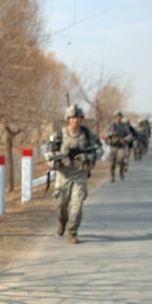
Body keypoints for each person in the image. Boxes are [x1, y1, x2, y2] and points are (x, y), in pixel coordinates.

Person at [46, 104, 101, 244]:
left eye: (77, 118)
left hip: (80, 174)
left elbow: (99, 151)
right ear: (68, 119)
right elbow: (48, 152)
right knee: (60, 204)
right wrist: (57, 160)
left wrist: (87, 157)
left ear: (81, 119)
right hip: (63, 175)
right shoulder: (59, 135)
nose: (75, 121)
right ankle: (62, 221)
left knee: (76, 206)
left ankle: (72, 232)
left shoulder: (88, 135)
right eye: (72, 118)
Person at [105, 111, 133, 181]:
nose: (118, 118)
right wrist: (111, 133)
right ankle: (112, 176)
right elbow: (106, 134)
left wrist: (125, 139)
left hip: (121, 146)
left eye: (119, 116)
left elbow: (130, 135)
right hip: (113, 146)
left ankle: (121, 171)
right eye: (116, 117)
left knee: (121, 159)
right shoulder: (111, 126)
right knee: (112, 162)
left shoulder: (124, 126)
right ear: (114, 117)